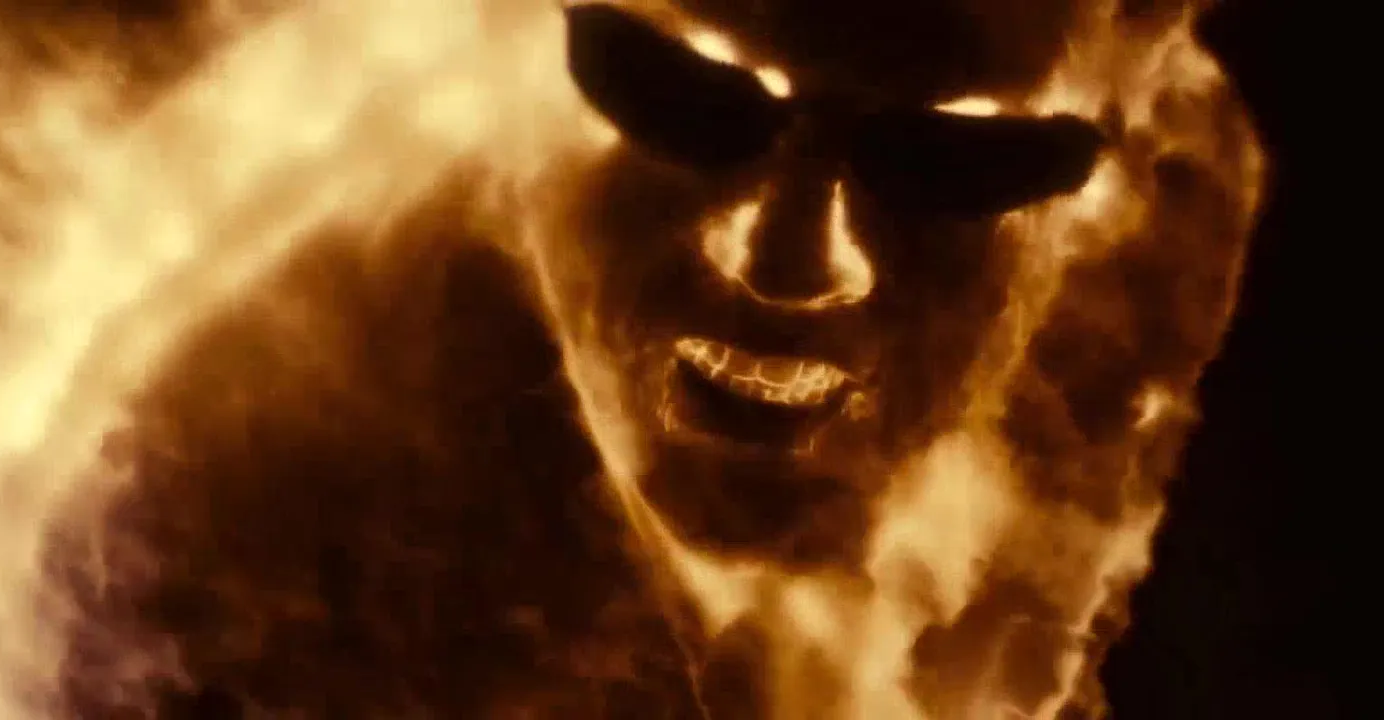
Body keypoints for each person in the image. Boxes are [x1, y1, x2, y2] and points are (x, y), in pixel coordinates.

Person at [65, 0, 1262, 716]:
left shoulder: (1144, 560)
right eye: (690, 95)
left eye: (948, 156)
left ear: (1110, 194)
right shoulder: (170, 575)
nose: (793, 260)